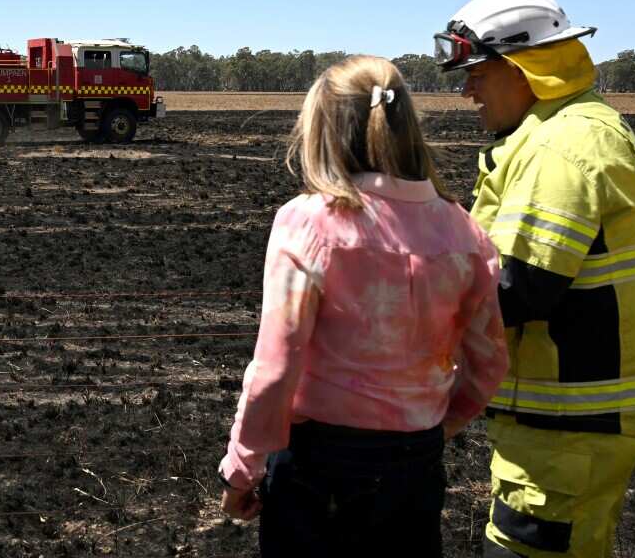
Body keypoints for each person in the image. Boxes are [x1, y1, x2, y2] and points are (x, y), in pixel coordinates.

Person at [217, 55, 509, 556]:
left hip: (318, 468)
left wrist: (242, 471)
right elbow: (490, 363)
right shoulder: (465, 230)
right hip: (416, 466)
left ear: (322, 131)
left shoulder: (308, 223)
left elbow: (275, 368)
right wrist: (437, 426)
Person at [434, 0, 635, 557]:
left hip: (570, 421)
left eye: (477, 74)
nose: (467, 92)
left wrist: (389, 313)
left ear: (523, 69)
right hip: (568, 421)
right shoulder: (568, 130)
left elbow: (516, 289)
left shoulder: (561, 148)